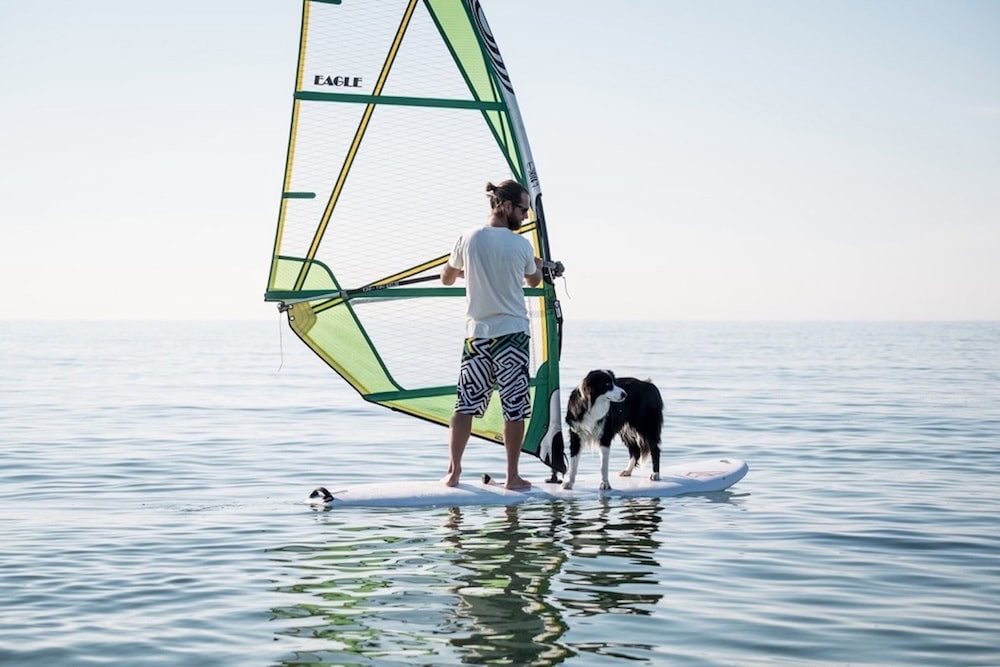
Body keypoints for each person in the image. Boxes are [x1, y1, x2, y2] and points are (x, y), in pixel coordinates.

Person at [440, 180, 543, 490]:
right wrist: (536, 265)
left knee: (465, 405)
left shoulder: (467, 238)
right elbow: (535, 281)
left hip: (477, 336)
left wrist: (464, 271)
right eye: (524, 209)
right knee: (514, 407)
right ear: (506, 206)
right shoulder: (522, 245)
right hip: (512, 335)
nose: (525, 216)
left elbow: (446, 278)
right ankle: (512, 477)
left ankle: (454, 473)